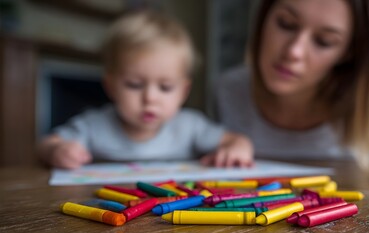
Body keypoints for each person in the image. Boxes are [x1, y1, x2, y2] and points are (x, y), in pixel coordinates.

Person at [215, 0, 369, 169]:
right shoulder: (228, 92)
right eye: (286, 23)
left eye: (324, 41)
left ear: (350, 52)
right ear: (264, 16)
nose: (293, 51)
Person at [38, 10, 253, 169]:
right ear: (111, 86)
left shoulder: (190, 126)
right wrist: (56, 151)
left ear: (183, 92)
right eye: (134, 85)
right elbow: (46, 143)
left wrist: (237, 148)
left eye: (165, 87)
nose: (150, 98)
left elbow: (237, 140)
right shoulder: (95, 125)